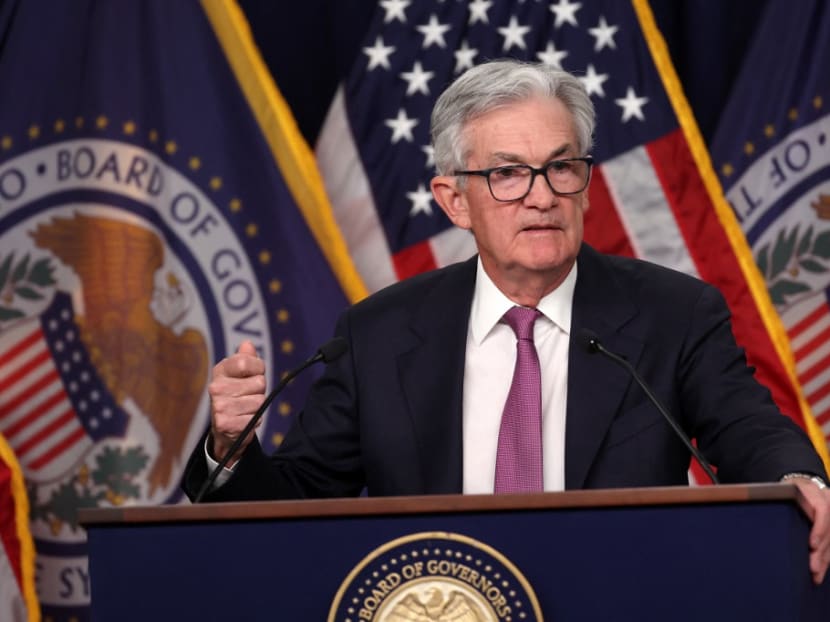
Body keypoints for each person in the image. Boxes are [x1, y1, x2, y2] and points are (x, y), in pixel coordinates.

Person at [182, 59, 830, 583]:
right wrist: (230, 449)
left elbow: (749, 430)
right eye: (508, 175)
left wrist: (798, 480)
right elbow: (298, 505)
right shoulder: (378, 335)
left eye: (560, 167)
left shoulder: (673, 315)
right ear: (454, 201)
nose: (542, 196)